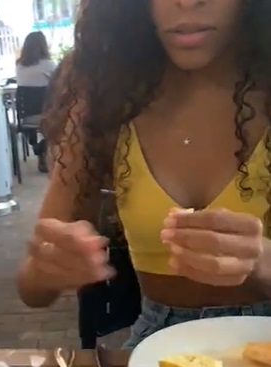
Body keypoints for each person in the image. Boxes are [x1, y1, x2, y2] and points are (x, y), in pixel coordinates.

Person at [17, 0, 271, 348]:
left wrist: (263, 262)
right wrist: (48, 267)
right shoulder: (106, 100)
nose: (187, 2)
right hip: (156, 350)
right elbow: (31, 290)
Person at [16, 31, 56, 173]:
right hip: (47, 115)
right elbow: (59, 84)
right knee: (60, 122)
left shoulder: (19, 65)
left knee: (34, 115)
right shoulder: (49, 65)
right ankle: (43, 147)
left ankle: (36, 146)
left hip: (26, 117)